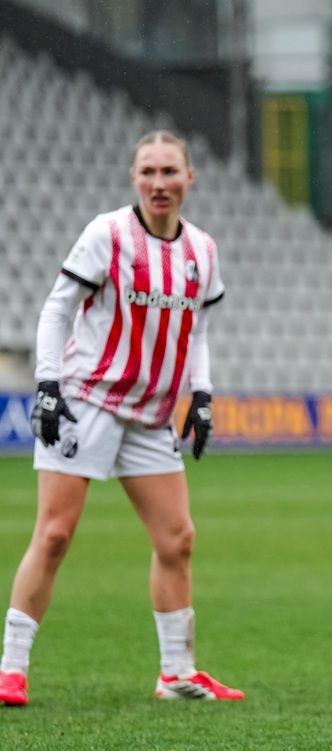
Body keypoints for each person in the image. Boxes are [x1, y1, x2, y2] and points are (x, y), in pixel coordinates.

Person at [0, 130, 243, 707]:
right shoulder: (107, 235)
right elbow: (56, 310)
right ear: (134, 177)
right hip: (88, 400)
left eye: (170, 171)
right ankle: (10, 669)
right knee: (54, 534)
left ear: (189, 177)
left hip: (152, 415)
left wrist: (201, 394)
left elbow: (197, 330)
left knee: (177, 539)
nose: (159, 183)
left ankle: (176, 673)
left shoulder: (202, 250)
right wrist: (48, 386)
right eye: (148, 172)